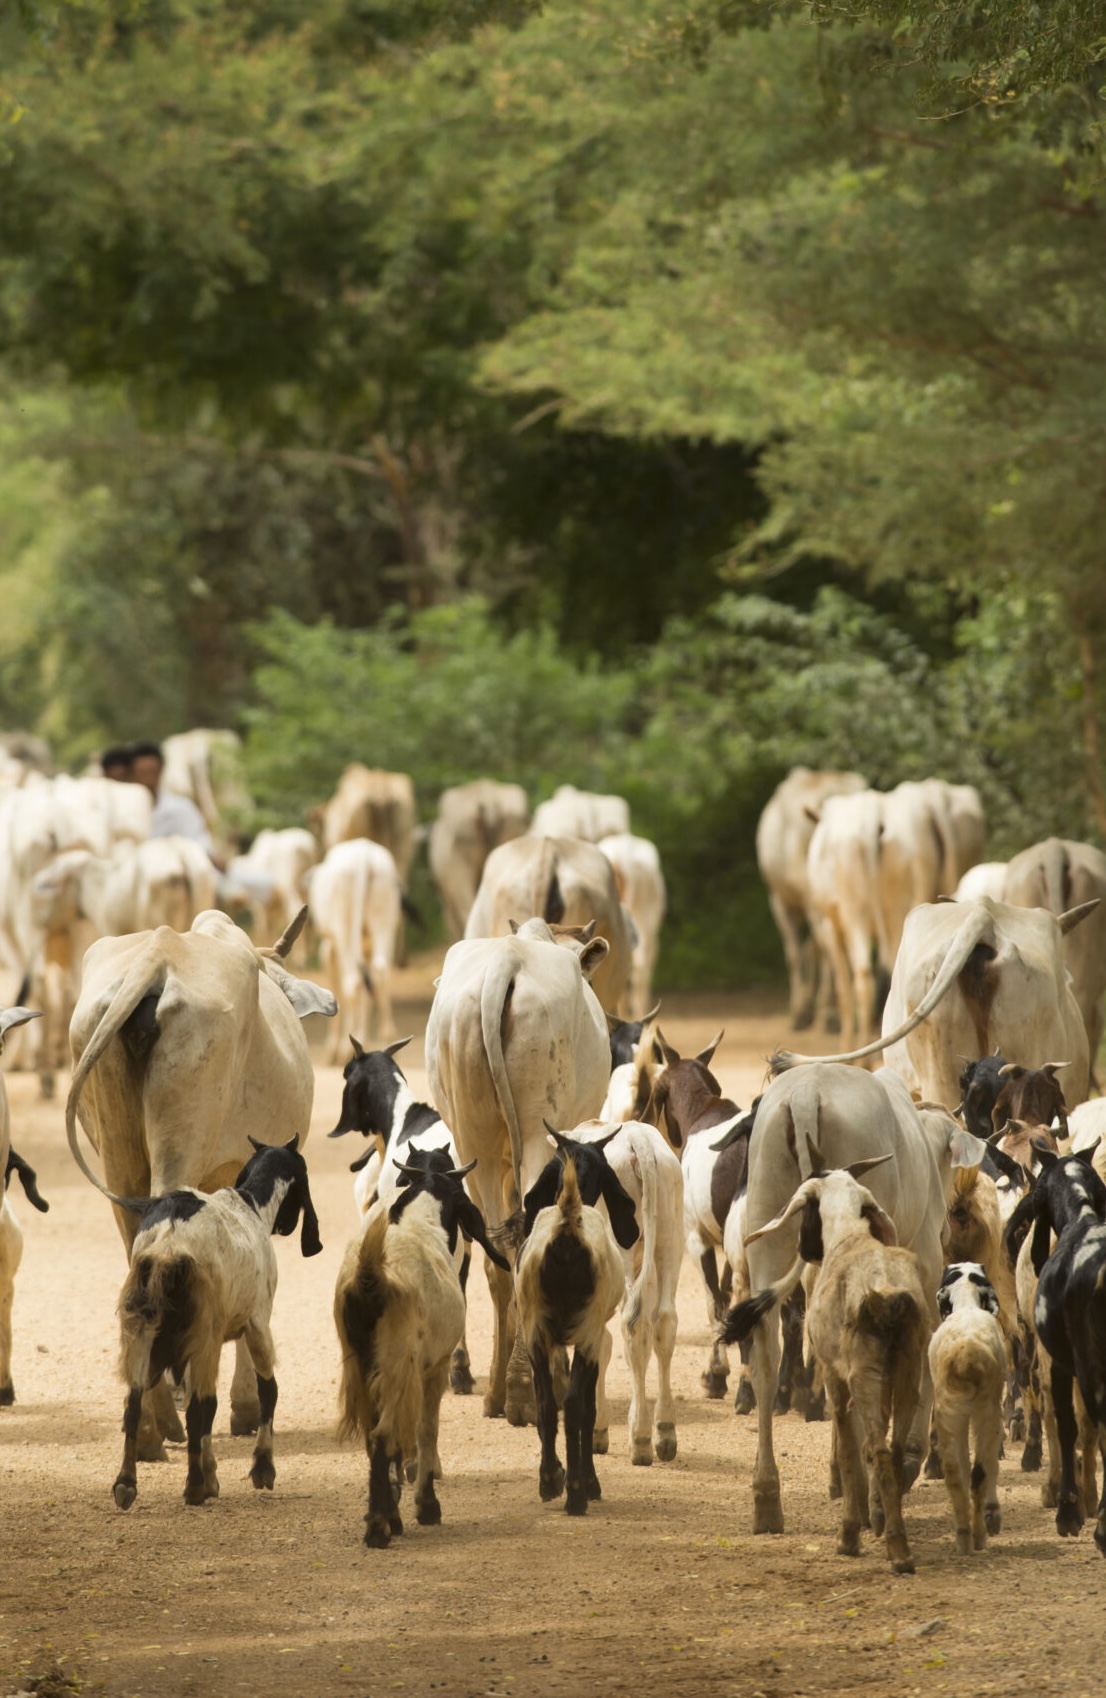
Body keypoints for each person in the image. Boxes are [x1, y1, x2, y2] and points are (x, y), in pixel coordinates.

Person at [128, 739, 217, 861]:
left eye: (152, 773)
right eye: (142, 774)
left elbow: (200, 845)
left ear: (161, 771)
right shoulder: (124, 814)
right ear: (132, 776)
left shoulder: (181, 808)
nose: (148, 781)